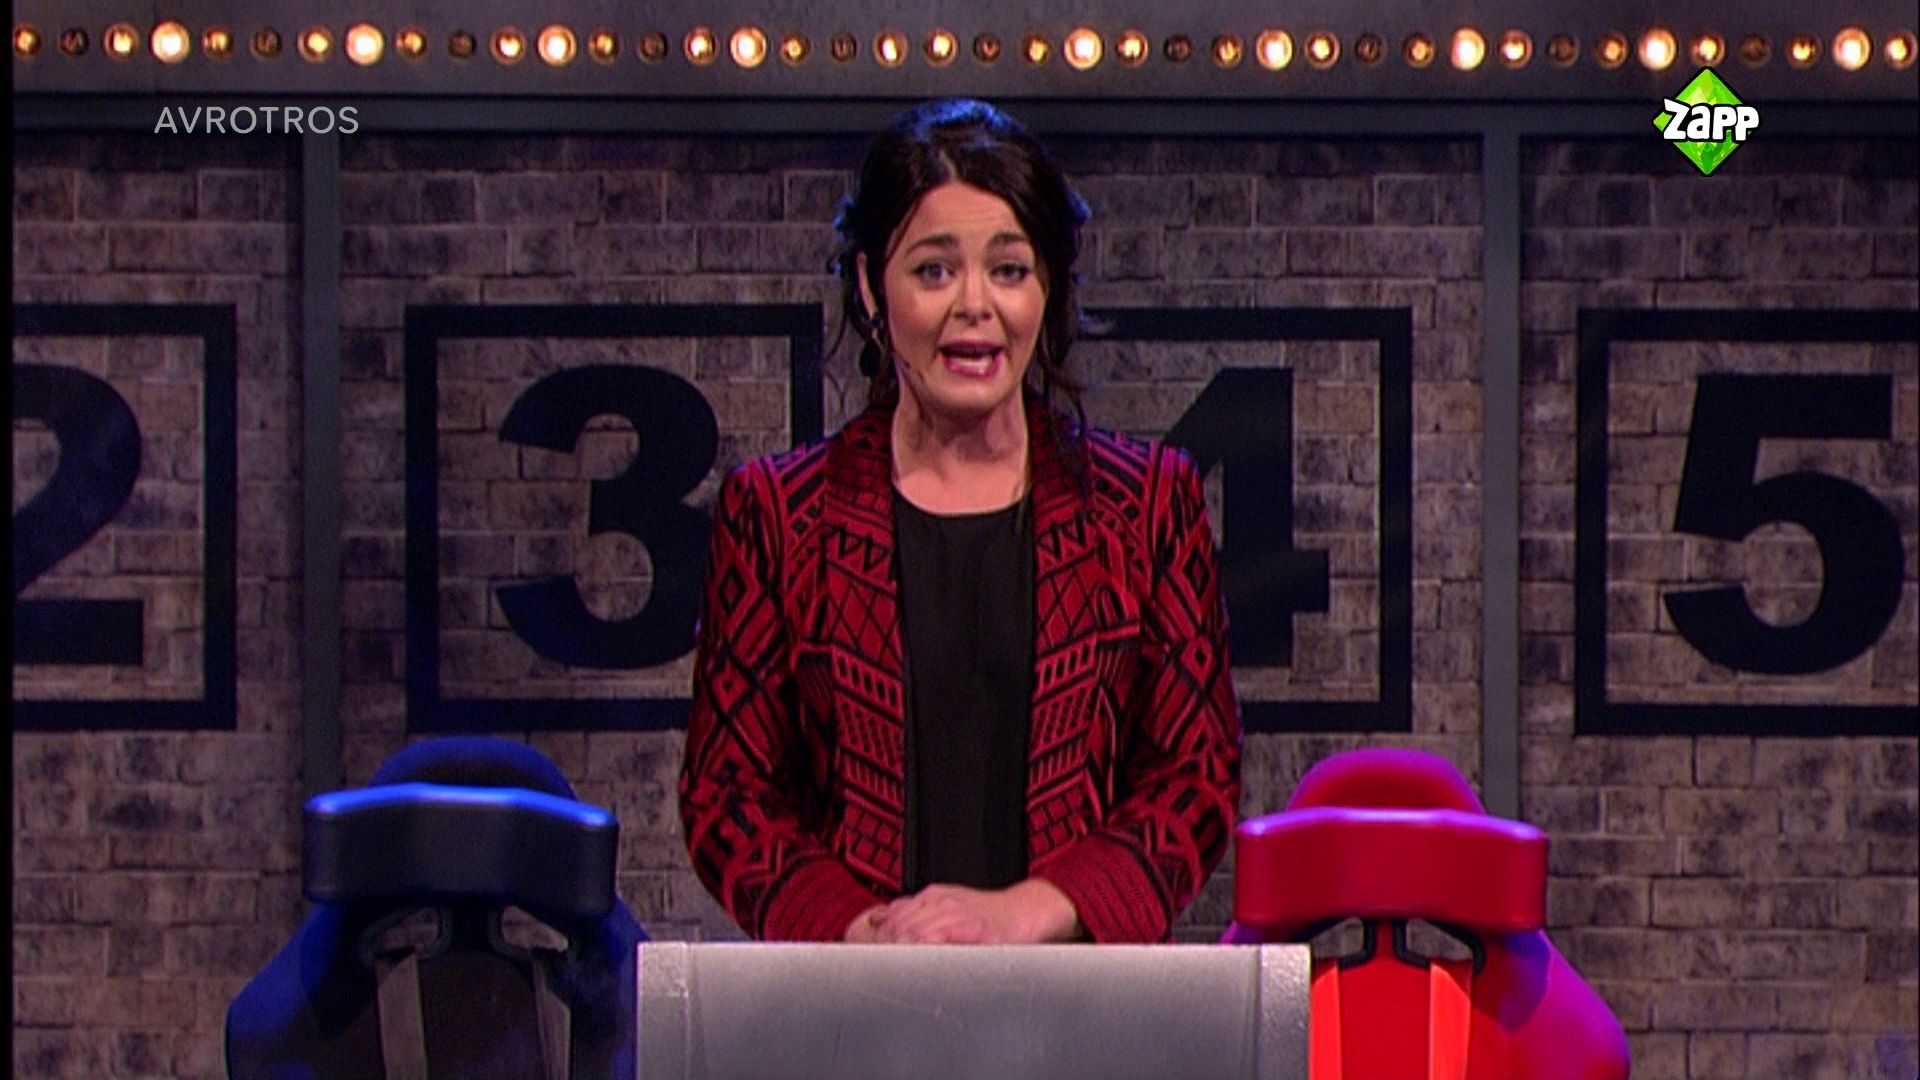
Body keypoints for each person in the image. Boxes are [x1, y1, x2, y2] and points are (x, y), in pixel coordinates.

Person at [678, 98, 1241, 945]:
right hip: (857, 998)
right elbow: (727, 794)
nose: (975, 305)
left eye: (1009, 270)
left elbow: (1194, 780)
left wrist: (1024, 913)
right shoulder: (779, 516)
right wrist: (862, 932)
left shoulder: (1147, 506)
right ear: (870, 286)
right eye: (934, 271)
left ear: (1048, 288)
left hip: (1076, 997)